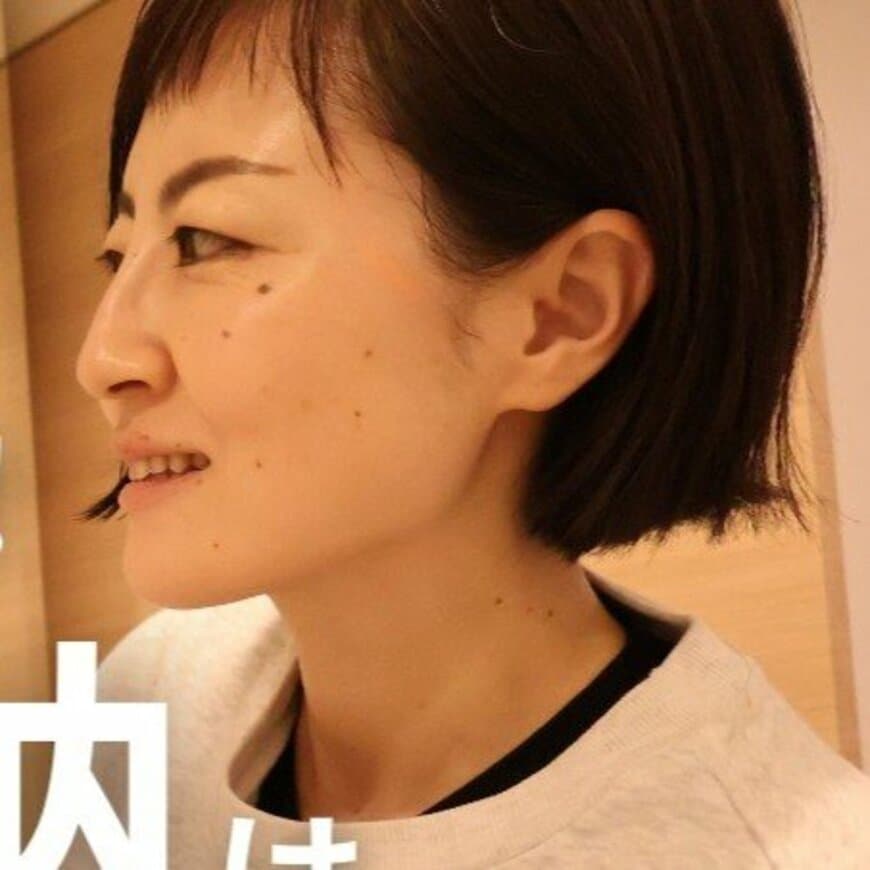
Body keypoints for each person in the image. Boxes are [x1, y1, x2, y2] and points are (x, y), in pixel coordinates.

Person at [71, 0, 870, 867]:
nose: (102, 358)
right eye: (120, 254)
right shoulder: (149, 699)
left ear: (562, 314)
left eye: (207, 240)